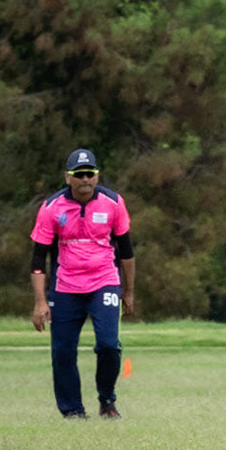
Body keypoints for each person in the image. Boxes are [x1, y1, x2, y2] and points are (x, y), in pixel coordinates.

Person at [29, 149, 135, 419]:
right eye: (79, 174)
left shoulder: (113, 203)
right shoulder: (52, 208)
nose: (85, 179)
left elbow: (126, 252)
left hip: (104, 282)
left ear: (97, 176)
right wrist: (40, 302)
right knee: (62, 352)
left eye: (90, 173)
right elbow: (38, 259)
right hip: (66, 287)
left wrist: (129, 292)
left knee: (109, 345)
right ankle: (73, 411)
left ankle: (107, 400)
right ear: (68, 177)